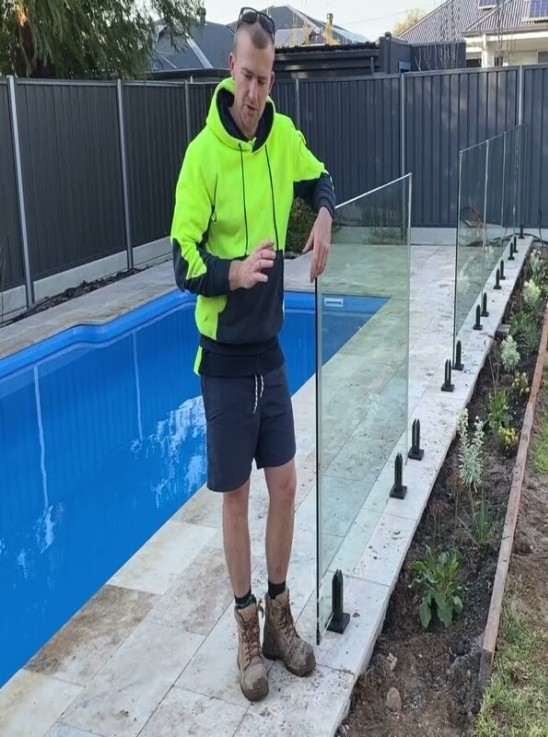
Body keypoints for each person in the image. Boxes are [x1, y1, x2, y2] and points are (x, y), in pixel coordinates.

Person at [169, 6, 335, 703]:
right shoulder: (201, 155)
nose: (255, 91)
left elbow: (320, 178)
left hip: (270, 349)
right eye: (247, 75)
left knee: (287, 483)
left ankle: (277, 616)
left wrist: (321, 219)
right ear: (229, 68)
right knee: (236, 495)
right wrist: (231, 271)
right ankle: (244, 631)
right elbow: (180, 258)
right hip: (225, 357)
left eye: (265, 79)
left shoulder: (282, 137)